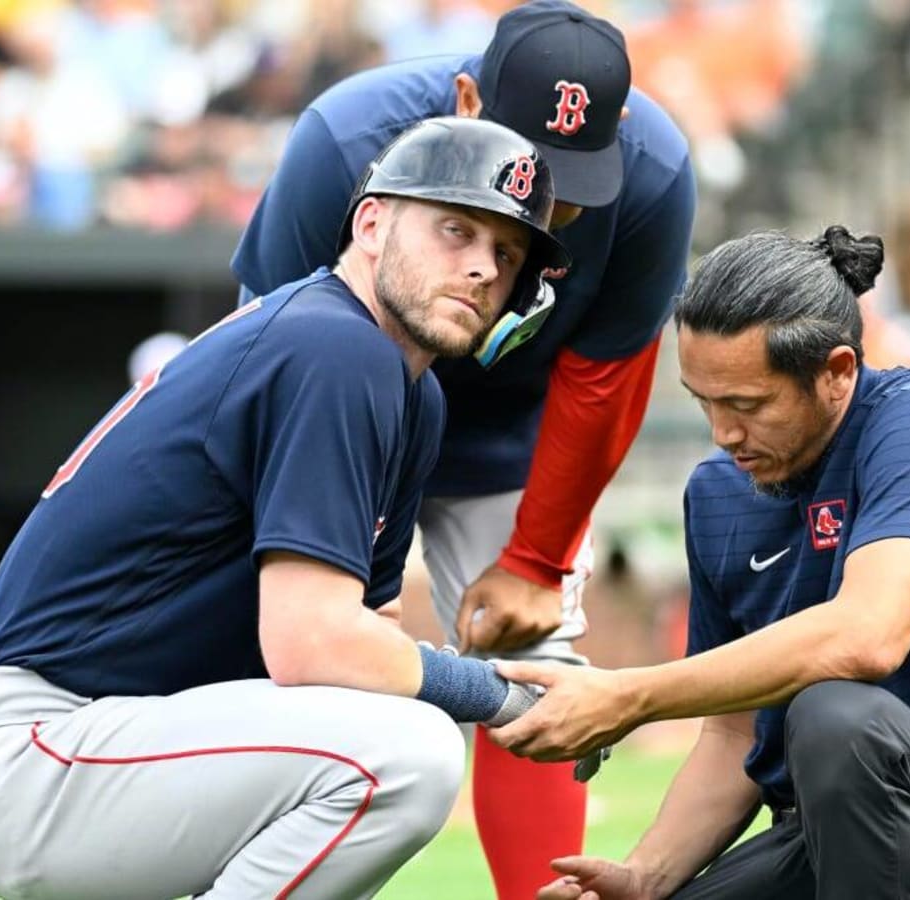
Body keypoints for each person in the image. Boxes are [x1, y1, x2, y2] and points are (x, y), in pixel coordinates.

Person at [0, 117, 570, 900]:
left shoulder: (409, 391)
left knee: (389, 730)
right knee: (409, 754)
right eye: (455, 230)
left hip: (115, 743)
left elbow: (367, 641)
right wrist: (499, 696)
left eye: (506, 254)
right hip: (38, 748)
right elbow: (312, 643)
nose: (480, 271)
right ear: (371, 222)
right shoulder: (338, 346)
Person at [232, 3, 697, 894]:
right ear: (466, 99)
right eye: (529, 163)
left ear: (621, 126)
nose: (547, 199)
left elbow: (606, 378)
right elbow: (264, 353)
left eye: (572, 174)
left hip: (510, 436)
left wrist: (534, 557)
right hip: (340, 413)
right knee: (281, 657)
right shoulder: (344, 138)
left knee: (543, 664)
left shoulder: (655, 171)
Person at [489, 226, 910, 900]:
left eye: (747, 405)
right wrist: (644, 876)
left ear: (837, 373)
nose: (723, 433)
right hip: (819, 845)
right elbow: (734, 731)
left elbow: (866, 638)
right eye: (703, 402)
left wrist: (632, 697)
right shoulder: (716, 494)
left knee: (834, 717)